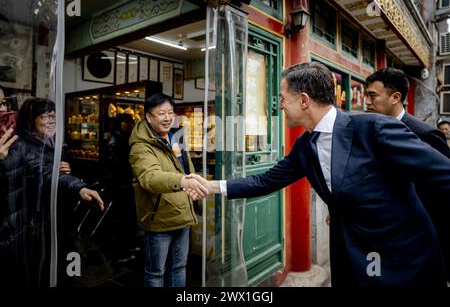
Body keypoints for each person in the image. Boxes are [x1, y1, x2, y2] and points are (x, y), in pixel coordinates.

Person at [187, 62, 450, 287]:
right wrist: (211, 186)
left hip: (403, 260)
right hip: (351, 258)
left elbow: (441, 175)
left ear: (303, 100)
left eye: (282, 97)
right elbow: (266, 180)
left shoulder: (373, 128)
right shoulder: (305, 146)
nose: (278, 106)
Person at [0, 98, 104, 287]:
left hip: (46, 221)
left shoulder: (51, 143)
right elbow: (43, 173)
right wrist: (73, 184)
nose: (52, 121)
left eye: (54, 116)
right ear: (31, 120)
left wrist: (73, 181)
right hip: (25, 225)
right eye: (46, 116)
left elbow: (52, 173)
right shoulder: (20, 145)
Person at [365, 67, 450, 281]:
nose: (366, 102)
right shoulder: (368, 132)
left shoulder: (424, 134)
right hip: (383, 235)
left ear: (395, 97)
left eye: (372, 95)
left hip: (420, 237)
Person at [129, 93, 208, 287]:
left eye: (171, 112)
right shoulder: (140, 146)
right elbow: (150, 178)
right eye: (161, 113)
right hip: (159, 219)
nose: (168, 117)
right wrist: (183, 181)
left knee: (179, 267)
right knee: (156, 273)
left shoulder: (174, 137)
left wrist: (193, 184)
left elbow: (185, 168)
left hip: (182, 215)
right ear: (148, 116)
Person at [105, 113, 138, 262]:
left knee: (129, 217)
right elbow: (117, 166)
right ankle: (121, 252)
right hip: (120, 186)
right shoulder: (117, 140)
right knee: (122, 218)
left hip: (124, 184)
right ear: (121, 124)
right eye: (128, 122)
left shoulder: (122, 138)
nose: (131, 125)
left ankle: (129, 245)